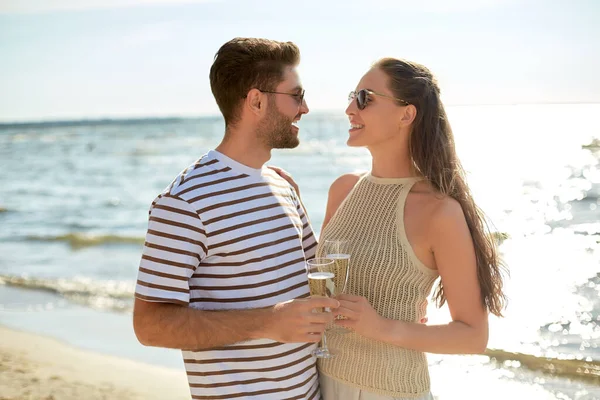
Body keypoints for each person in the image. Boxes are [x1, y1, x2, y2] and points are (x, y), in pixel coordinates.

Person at [282, 58, 508, 400]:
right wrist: (288, 202)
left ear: (406, 114)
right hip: (321, 383)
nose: (348, 109)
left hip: (391, 391)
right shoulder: (342, 189)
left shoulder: (439, 212)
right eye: (351, 97)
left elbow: (473, 337)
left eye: (364, 98)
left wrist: (381, 327)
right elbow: (320, 283)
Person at [132, 37, 338, 400]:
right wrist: (268, 321)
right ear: (256, 101)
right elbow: (150, 326)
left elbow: (317, 278)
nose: (305, 107)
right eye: (296, 94)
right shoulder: (184, 201)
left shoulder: (283, 184)